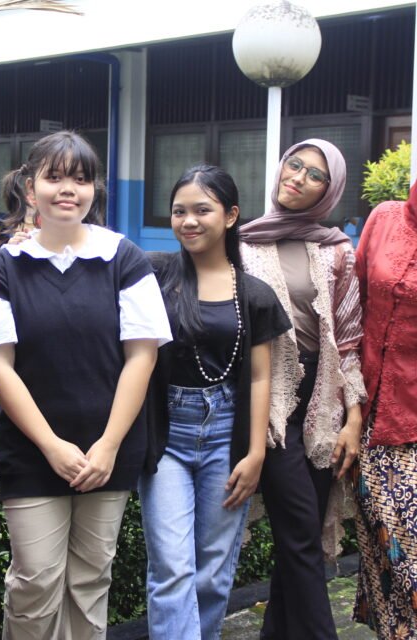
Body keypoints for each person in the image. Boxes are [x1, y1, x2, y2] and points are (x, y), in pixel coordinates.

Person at [0, 130, 172, 639]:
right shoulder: (2, 267)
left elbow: (142, 356)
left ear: (94, 190)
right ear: (30, 188)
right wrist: (50, 445)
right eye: (55, 177)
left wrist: (108, 446)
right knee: (35, 583)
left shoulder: (124, 259)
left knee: (91, 582)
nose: (68, 189)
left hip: (108, 454)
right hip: (30, 453)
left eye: (81, 179)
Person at [139, 165, 291, 640]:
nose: (188, 221)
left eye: (202, 210)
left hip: (226, 435)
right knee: (171, 567)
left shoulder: (254, 294)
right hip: (167, 434)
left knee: (212, 569)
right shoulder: (153, 275)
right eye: (179, 211)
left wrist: (256, 452)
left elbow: (261, 376)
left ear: (230, 215)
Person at [239, 138, 367, 639]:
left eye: (315, 175)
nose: (298, 178)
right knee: (299, 535)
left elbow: (348, 339)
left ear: (328, 190)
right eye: (294, 165)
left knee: (303, 533)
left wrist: (353, 417)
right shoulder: (242, 241)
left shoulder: (336, 250)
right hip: (268, 400)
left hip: (323, 402)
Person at [352, 181, 417, 638]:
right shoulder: (385, 217)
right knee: (383, 546)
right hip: (368, 413)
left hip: (411, 418)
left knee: (408, 547)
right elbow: (352, 302)